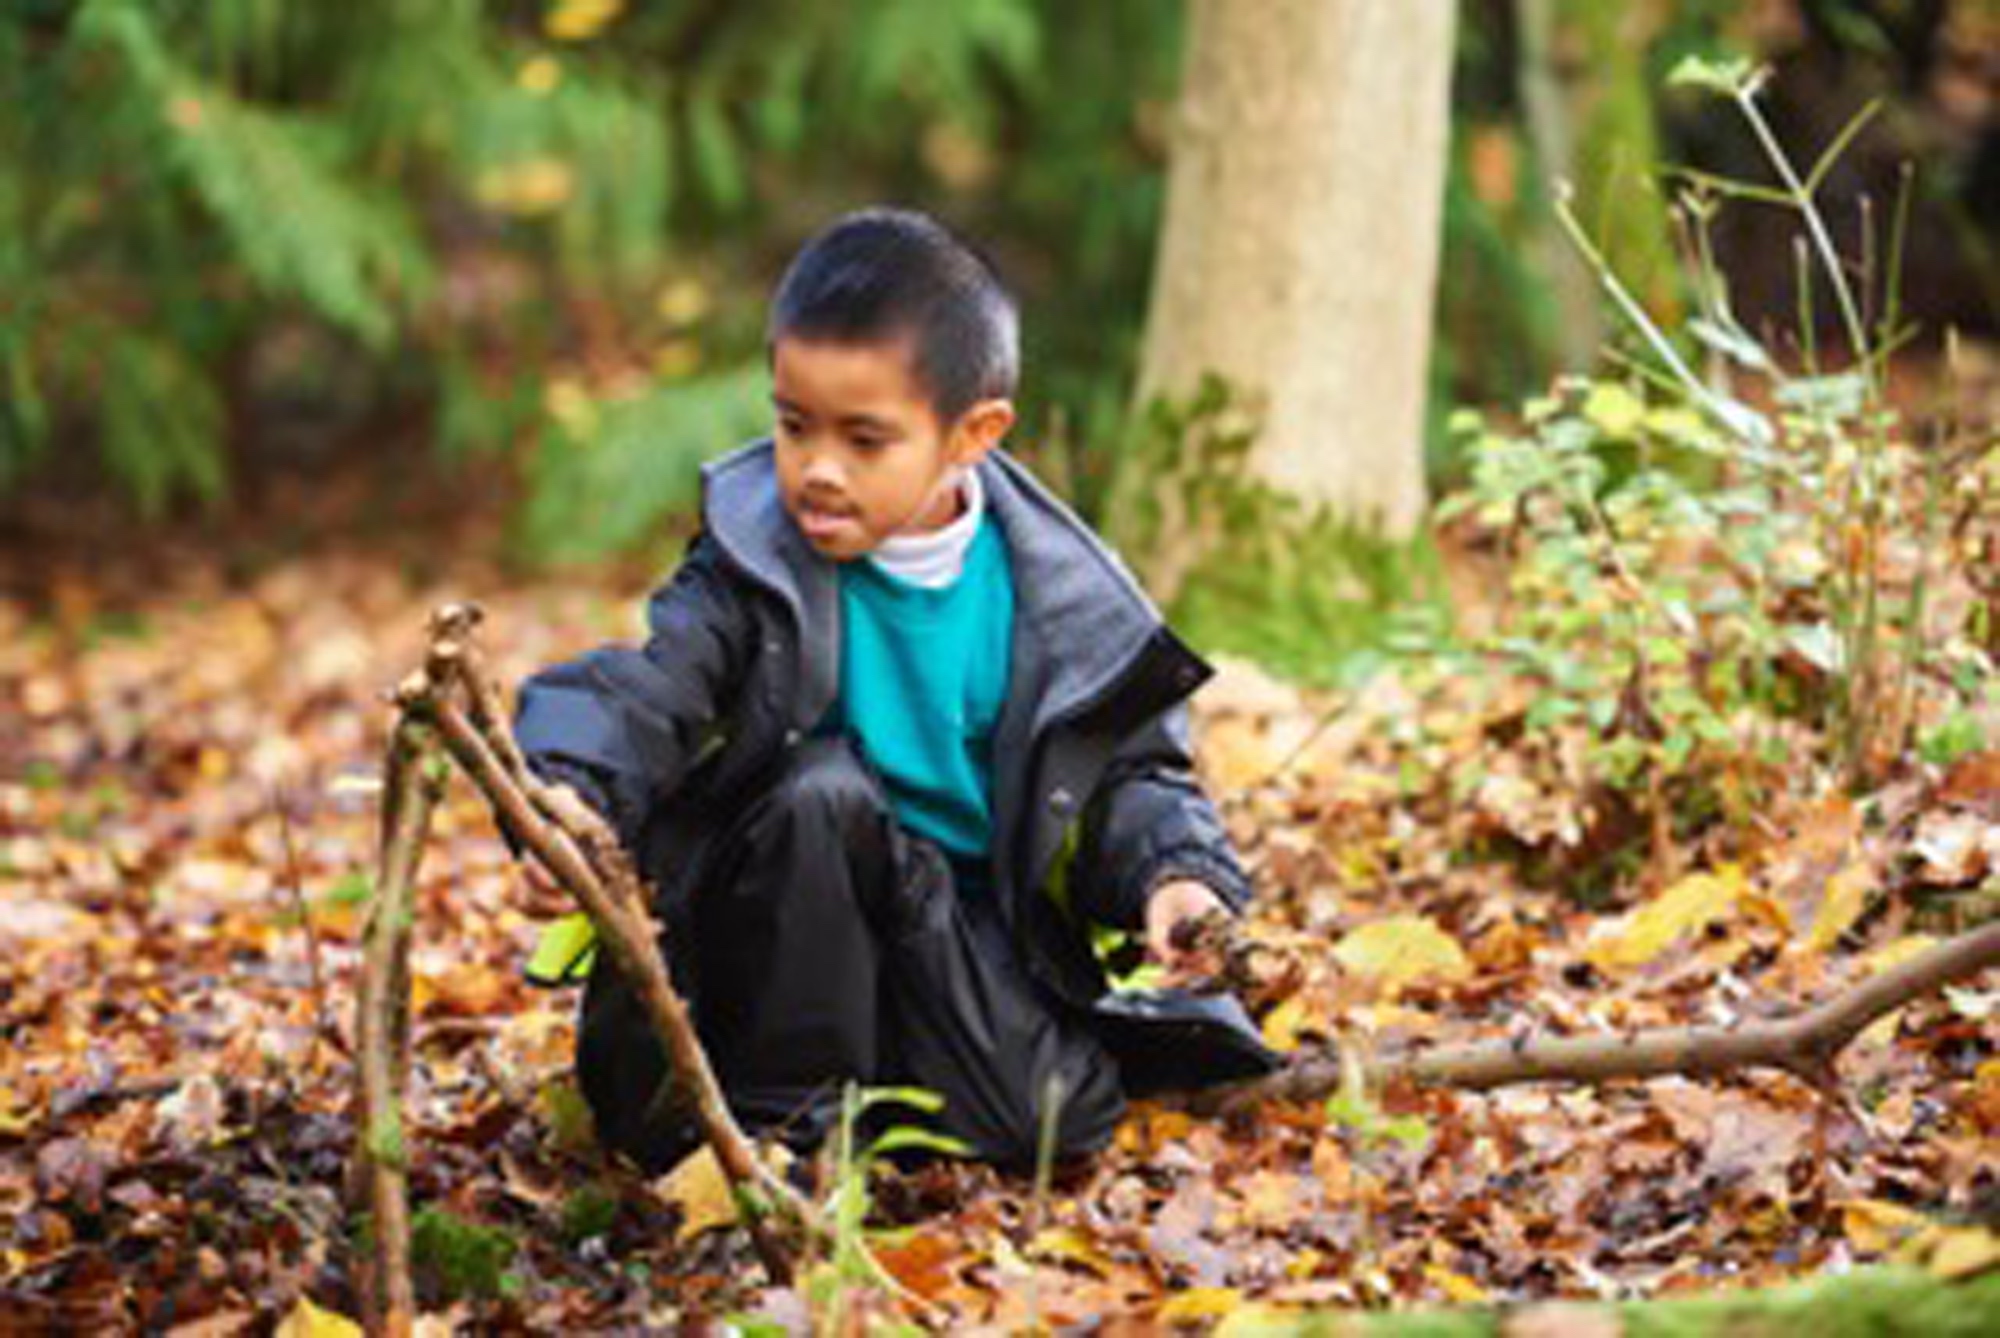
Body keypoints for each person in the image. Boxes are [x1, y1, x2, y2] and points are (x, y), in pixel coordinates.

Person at [513, 206, 1274, 1175]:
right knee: (827, 793)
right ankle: (780, 1142)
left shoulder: (1064, 602)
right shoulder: (752, 562)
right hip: (761, 936)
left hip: (944, 931)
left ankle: (873, 1104)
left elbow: (1130, 776)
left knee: (1054, 1124)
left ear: (973, 435)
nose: (816, 471)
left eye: (863, 440)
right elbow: (648, 688)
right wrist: (576, 792)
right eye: (793, 426)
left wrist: (1173, 876)